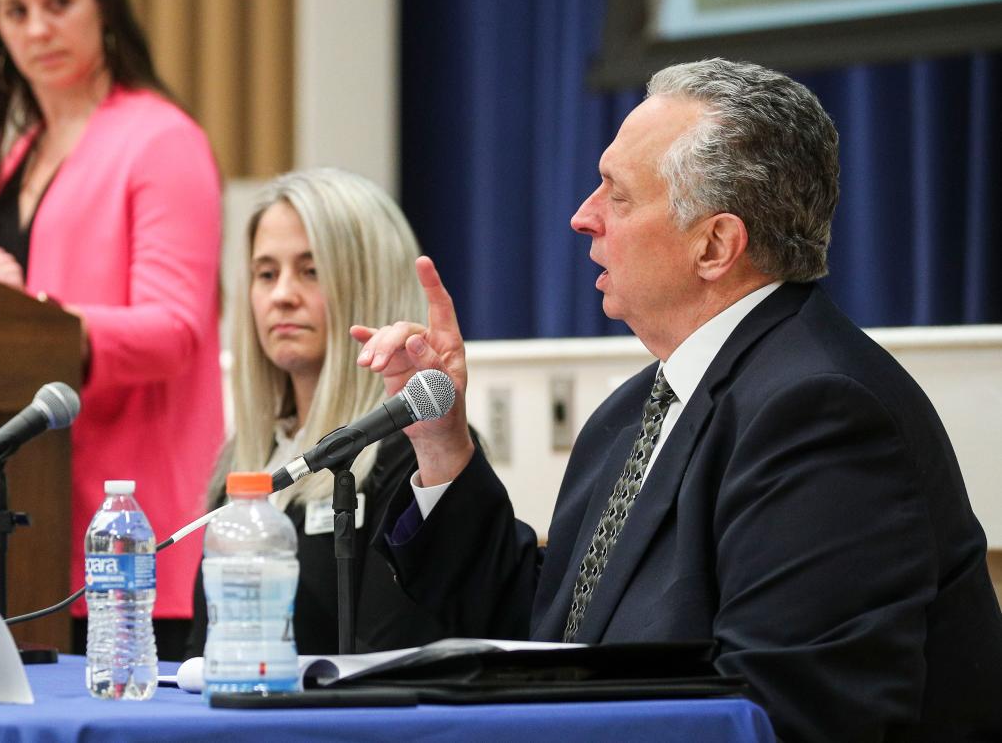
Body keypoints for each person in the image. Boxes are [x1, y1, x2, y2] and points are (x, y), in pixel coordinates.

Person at [352, 59, 1002, 742]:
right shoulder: (637, 409)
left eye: (618, 195)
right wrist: (443, 444)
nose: (582, 217)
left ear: (716, 244)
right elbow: (554, 638)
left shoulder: (820, 413)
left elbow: (781, 712)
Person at [0, 0, 223, 658]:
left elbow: (174, 331)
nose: (38, 28)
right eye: (15, 10)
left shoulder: (162, 140)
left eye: (59, 3)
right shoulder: (14, 160)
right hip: (36, 528)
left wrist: (29, 313)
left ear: (104, 5)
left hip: (138, 535)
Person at [186, 168, 504, 657]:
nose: (282, 294)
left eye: (311, 271)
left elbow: (396, 650)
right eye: (266, 274)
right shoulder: (244, 458)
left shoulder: (419, 452)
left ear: (368, 281)